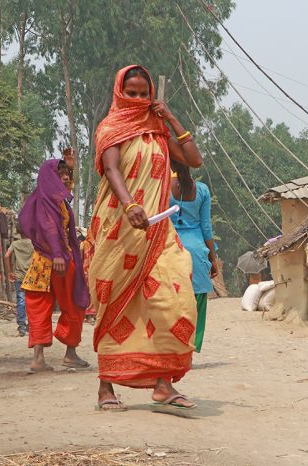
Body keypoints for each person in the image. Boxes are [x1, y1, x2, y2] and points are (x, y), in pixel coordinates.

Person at [82, 65, 203, 411]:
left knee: (173, 301)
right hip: (118, 229)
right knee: (114, 305)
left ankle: (163, 384)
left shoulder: (159, 133)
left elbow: (194, 159)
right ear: (120, 92)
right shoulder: (111, 128)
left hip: (159, 232)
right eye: (131, 93)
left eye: (143, 94)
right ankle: (106, 387)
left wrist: (171, 119)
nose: (137, 99)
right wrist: (129, 203)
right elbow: (112, 168)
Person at [18, 159, 90, 374]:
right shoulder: (49, 201)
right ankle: (69, 353)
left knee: (39, 305)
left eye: (67, 173)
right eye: (60, 174)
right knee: (74, 303)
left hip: (41, 261)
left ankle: (39, 359)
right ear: (50, 176)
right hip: (59, 260)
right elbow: (48, 226)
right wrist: (58, 254)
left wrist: (71, 166)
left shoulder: (48, 199)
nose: (66, 177)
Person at [170, 160, 218, 353]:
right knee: (197, 301)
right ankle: (190, 347)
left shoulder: (162, 188)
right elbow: (206, 228)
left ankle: (173, 345)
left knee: (172, 300)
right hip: (197, 253)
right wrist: (213, 259)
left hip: (171, 249)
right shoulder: (202, 190)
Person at [4, 232, 34, 336]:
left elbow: (6, 256)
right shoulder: (33, 243)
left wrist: (9, 272)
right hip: (31, 276)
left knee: (21, 300)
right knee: (32, 301)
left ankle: (21, 327)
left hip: (19, 276)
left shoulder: (15, 243)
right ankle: (31, 325)